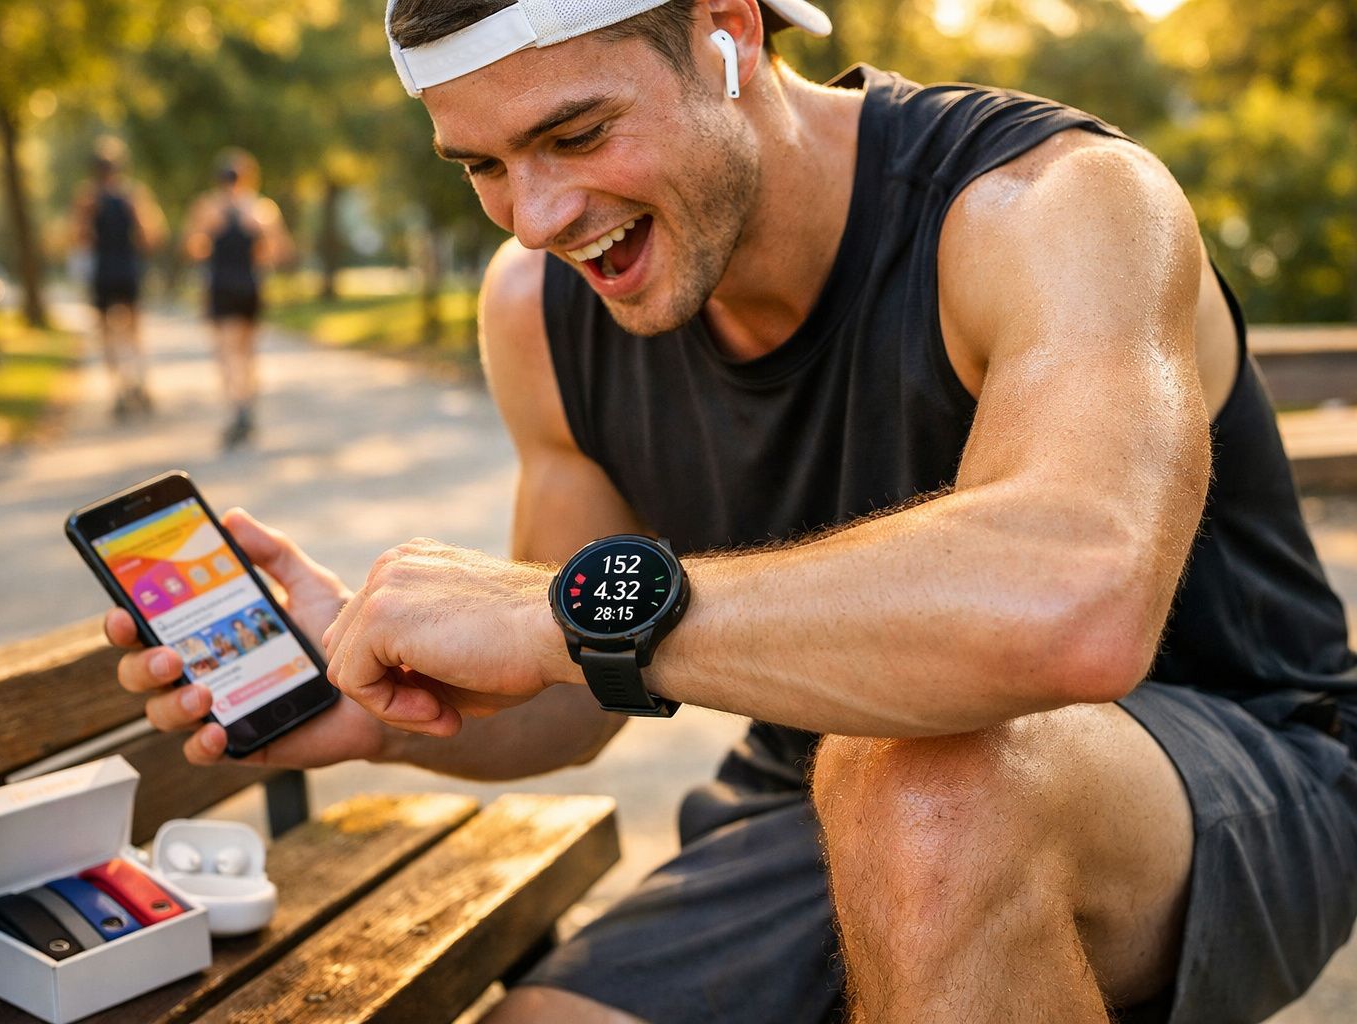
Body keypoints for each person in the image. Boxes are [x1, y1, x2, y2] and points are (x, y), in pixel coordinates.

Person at [105, 2, 1357, 1022]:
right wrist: (382, 701)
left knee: (933, 796)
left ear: (729, 31)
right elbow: (574, 686)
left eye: (577, 134)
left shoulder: (1054, 203)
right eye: (483, 165)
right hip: (806, 795)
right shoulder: (539, 311)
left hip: (1232, 770)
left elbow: (1073, 610)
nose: (536, 217)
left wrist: (562, 610)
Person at [182, 149, 294, 449]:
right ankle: (247, 406)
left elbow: (194, 249)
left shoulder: (208, 207)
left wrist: (212, 235)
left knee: (228, 352)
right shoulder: (261, 209)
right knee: (247, 352)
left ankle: (238, 408)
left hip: (222, 286)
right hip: (249, 285)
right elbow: (277, 252)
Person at [69, 137, 168, 421]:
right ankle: (137, 381)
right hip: (126, 269)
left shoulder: (88, 198)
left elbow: (79, 238)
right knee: (133, 331)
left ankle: (120, 389)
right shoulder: (132, 195)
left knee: (107, 334)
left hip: (105, 271)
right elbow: (151, 237)